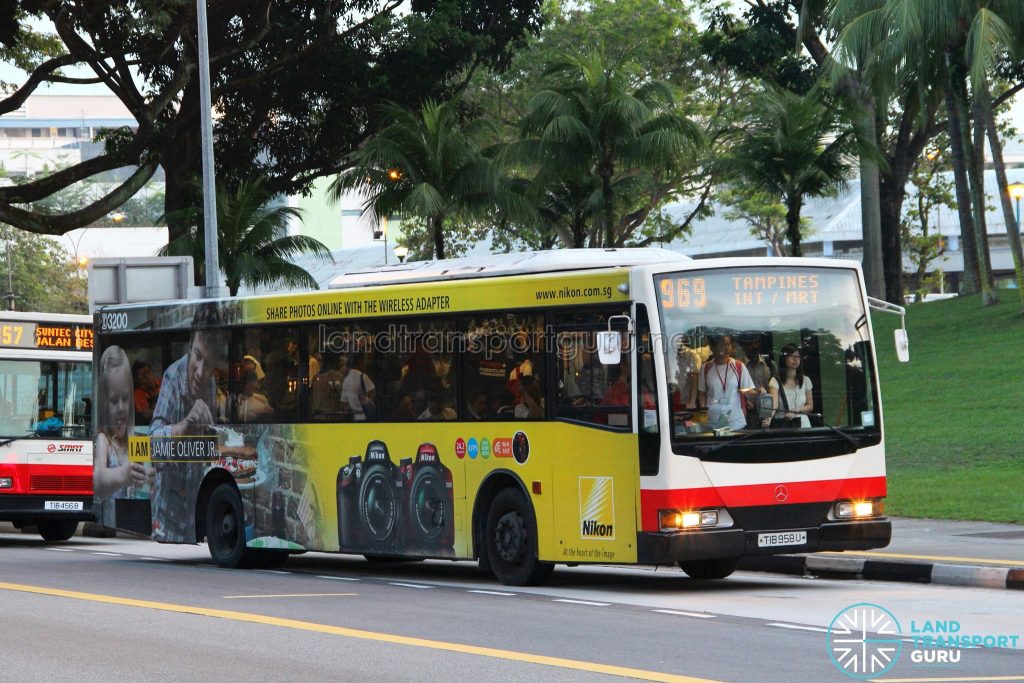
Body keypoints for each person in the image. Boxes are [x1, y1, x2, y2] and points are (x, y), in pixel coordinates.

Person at [149, 305, 224, 542]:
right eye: (198, 357)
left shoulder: (210, 384)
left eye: (209, 364)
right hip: (168, 519)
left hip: (195, 513)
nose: (201, 372)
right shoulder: (172, 377)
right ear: (189, 346)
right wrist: (185, 424)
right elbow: (152, 444)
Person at [94, 346, 150, 515]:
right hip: (111, 518)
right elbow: (98, 478)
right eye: (113, 400)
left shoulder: (136, 438)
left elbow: (143, 482)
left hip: (134, 516)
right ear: (103, 403)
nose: (120, 408)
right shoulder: (104, 439)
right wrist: (122, 475)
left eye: (125, 399)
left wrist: (150, 479)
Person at [697, 334, 755, 431]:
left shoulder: (739, 366)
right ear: (713, 348)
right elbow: (702, 394)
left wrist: (758, 392)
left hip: (735, 421)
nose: (726, 348)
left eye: (728, 344)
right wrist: (703, 416)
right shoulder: (706, 368)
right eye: (722, 345)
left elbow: (747, 390)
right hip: (712, 421)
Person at [768, 344, 813, 428]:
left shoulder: (806, 380)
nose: (795, 359)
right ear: (784, 358)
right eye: (791, 356)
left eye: (798, 356)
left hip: (803, 425)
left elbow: (810, 405)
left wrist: (797, 410)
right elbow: (774, 404)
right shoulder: (775, 381)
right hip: (784, 425)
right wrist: (768, 418)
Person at [742, 337, 775, 428]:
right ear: (744, 346)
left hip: (768, 411)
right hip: (748, 412)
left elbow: (775, 386)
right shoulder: (739, 366)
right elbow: (735, 388)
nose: (753, 346)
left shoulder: (769, 364)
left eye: (756, 343)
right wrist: (744, 401)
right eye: (750, 344)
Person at [341, 353, 376, 421]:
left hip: (349, 416)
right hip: (361, 415)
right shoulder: (362, 376)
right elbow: (373, 394)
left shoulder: (345, 377)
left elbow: (343, 402)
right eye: (364, 361)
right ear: (360, 362)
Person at [672, 336, 701, 410]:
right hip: (669, 398)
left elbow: (694, 379)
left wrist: (692, 402)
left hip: (685, 401)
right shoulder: (666, 354)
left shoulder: (691, 355)